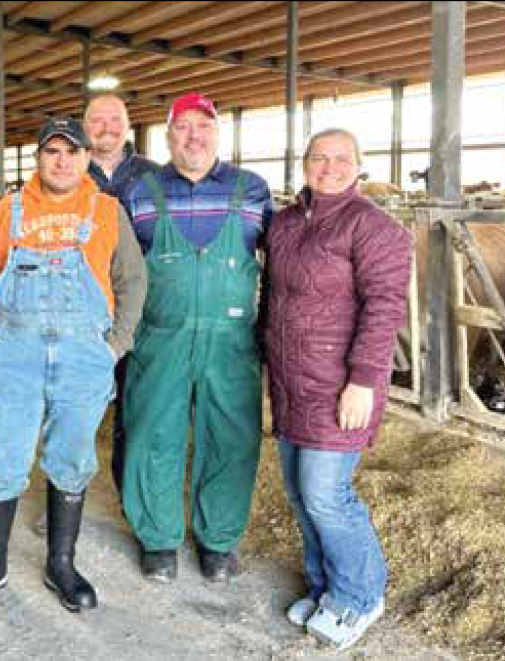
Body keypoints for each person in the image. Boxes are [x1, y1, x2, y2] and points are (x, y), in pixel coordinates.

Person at [0, 117, 146, 613]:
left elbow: (132, 281)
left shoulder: (107, 211)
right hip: (14, 354)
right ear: (38, 158)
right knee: (1, 454)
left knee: (72, 456)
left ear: (86, 159)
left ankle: (61, 562)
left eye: (72, 152)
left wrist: (114, 346)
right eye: (52, 152)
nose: (62, 161)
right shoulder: (7, 211)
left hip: (85, 355)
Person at [266, 128, 410, 650]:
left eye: (341, 158)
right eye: (319, 157)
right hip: (289, 382)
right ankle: (325, 585)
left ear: (359, 165)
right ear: (304, 163)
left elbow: (385, 306)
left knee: (328, 497)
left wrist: (364, 381)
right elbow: (272, 297)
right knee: (303, 496)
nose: (329, 166)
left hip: (340, 385)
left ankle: (360, 597)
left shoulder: (374, 227)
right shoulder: (283, 223)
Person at [120, 93, 273, 585]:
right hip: (160, 338)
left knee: (231, 439)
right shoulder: (140, 192)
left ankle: (218, 541)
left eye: (203, 126)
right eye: (182, 127)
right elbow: (119, 269)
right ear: (168, 137)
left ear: (217, 133)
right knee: (152, 435)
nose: (194, 136)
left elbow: (283, 262)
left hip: (230, 342)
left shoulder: (253, 191)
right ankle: (159, 540)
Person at [31, 94, 160, 536]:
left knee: (136, 414)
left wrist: (123, 332)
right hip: (71, 320)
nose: (106, 127)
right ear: (85, 131)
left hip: (133, 315)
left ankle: (133, 503)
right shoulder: (62, 174)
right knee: (62, 413)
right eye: (96, 120)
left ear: (128, 126)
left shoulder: (154, 178)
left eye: (115, 119)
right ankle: (58, 500)